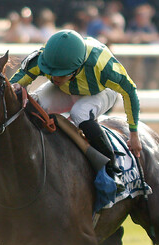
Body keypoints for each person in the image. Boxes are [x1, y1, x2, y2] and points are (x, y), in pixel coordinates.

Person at [9, 29, 142, 192]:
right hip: (66, 89)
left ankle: (112, 169)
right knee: (36, 105)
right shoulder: (44, 58)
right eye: (51, 72)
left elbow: (130, 92)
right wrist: (14, 88)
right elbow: (15, 83)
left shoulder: (104, 66)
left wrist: (134, 134)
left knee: (80, 112)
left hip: (101, 91)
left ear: (77, 68)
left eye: (60, 74)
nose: (53, 77)